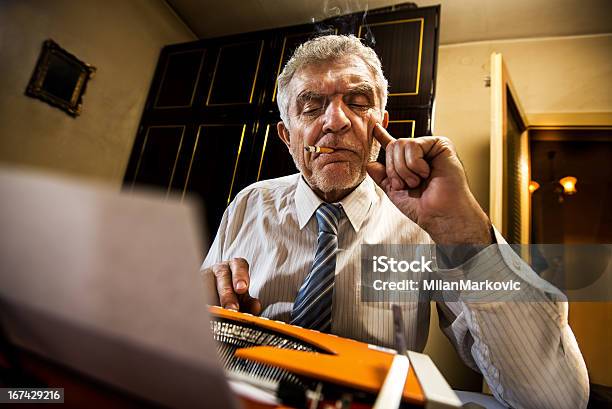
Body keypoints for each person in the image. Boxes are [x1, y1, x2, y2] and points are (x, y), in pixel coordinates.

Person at [201, 35, 588, 409]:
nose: (336, 121)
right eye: (312, 105)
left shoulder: (427, 224)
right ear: (287, 136)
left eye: (357, 102)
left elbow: (553, 400)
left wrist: (466, 234)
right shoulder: (250, 203)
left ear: (382, 123)